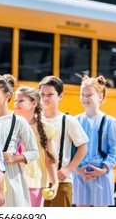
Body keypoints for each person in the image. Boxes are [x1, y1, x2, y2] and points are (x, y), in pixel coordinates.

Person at [0, 74, 39, 207]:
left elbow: (34, 152)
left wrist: (14, 158)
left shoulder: (19, 121)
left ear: (7, 96)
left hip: (12, 178)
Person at [73, 75, 116, 207]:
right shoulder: (74, 121)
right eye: (82, 94)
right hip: (80, 174)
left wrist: (104, 168)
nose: (84, 98)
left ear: (100, 96)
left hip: (102, 174)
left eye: (89, 95)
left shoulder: (111, 122)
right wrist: (77, 169)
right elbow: (68, 149)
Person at [38, 75, 89, 207]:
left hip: (62, 182)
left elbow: (83, 147)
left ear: (60, 96)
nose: (44, 98)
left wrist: (69, 169)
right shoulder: (34, 119)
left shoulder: (68, 120)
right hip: (37, 181)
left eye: (50, 94)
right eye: (42, 94)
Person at [13, 85, 59, 207]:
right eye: (15, 101)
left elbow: (50, 158)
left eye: (21, 101)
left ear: (34, 104)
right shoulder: (10, 124)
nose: (16, 104)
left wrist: (55, 182)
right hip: (12, 181)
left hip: (35, 182)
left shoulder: (44, 128)